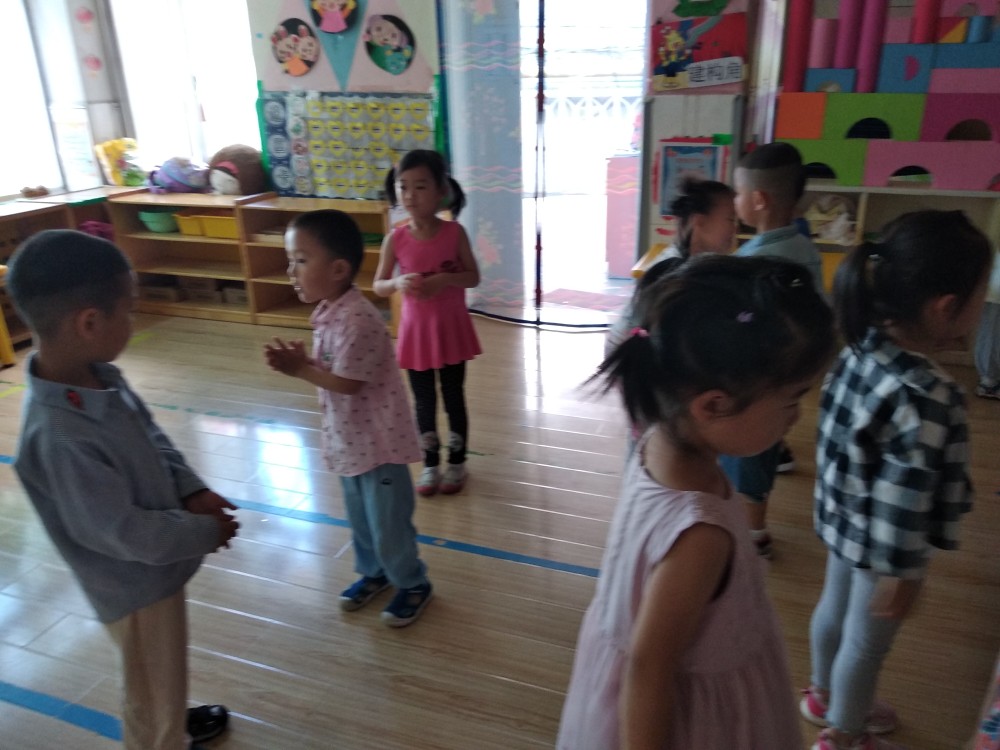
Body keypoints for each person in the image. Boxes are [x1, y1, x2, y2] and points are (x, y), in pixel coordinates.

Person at [558, 254, 837, 749]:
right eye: (792, 399)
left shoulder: (653, 444)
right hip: (697, 721)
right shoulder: (701, 536)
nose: (796, 417)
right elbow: (649, 668)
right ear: (713, 405)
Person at [7, 230, 238, 750]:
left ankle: (171, 718)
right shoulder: (61, 436)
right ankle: (162, 735)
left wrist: (190, 489)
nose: (134, 319)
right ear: (90, 322)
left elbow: (151, 434)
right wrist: (205, 531)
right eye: (129, 310)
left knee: (161, 673)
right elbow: (122, 532)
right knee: (150, 692)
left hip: (156, 566)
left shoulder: (100, 375)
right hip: (133, 588)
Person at [804, 210, 992, 750]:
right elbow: (904, 498)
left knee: (833, 610)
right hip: (884, 546)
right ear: (946, 307)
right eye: (983, 294)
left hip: (841, 520)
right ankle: (845, 733)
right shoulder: (929, 396)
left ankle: (823, 695)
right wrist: (901, 574)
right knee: (867, 644)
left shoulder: (856, 350)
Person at [265, 209, 433, 627]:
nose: (291, 271)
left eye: (301, 260)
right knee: (361, 518)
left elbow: (348, 383)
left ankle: (412, 582)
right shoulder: (330, 310)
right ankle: (375, 573)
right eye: (290, 260)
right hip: (351, 440)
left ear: (338, 269)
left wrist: (300, 370)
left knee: (388, 523)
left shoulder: (358, 320)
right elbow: (336, 370)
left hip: (379, 446)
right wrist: (308, 363)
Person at [722, 141, 825, 557]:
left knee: (748, 447)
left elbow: (743, 320)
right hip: (798, 366)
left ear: (759, 200)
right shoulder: (804, 246)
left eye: (738, 193)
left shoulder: (756, 260)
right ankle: (778, 446)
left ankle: (754, 532)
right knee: (774, 423)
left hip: (763, 373)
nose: (734, 201)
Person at [374, 149, 481, 497]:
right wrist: (397, 283)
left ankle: (458, 462)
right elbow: (378, 285)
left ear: (440, 192)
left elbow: (473, 277)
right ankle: (431, 464)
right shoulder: (395, 239)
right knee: (423, 402)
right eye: (403, 186)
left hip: (451, 332)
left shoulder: (454, 233)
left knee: (453, 397)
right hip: (416, 335)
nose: (410, 195)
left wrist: (445, 280)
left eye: (420, 186)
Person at [606, 176, 736, 355]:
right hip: (630, 359)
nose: (734, 229)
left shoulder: (699, 266)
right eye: (730, 220)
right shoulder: (671, 272)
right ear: (700, 222)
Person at [974, 249, 1000, 400]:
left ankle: (989, 380)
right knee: (992, 334)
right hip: (996, 289)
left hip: (994, 287)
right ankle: (988, 382)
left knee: (991, 333)